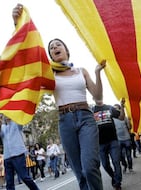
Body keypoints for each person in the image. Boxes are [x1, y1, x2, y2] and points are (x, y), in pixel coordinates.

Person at [12, 4, 104, 190]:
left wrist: (97, 73)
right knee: (79, 171)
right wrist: (17, 24)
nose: (55, 47)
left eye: (58, 45)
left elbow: (98, 97)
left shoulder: (81, 71)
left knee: (90, 166)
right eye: (51, 47)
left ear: (66, 50)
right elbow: (27, 56)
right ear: (51, 56)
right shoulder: (49, 75)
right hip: (65, 121)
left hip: (86, 117)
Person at [0, 115, 39, 190]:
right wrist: (0, 122)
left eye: (7, 114)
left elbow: (20, 121)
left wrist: (14, 114)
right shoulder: (3, 126)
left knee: (24, 177)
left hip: (18, 154)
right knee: (9, 181)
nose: (5, 116)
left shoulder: (16, 124)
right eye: (4, 114)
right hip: (7, 156)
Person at [93, 98, 125, 190]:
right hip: (100, 143)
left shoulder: (110, 108)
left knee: (116, 161)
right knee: (105, 164)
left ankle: (117, 183)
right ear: (93, 98)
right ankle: (114, 177)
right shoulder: (92, 111)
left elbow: (122, 118)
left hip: (113, 141)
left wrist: (122, 107)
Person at [113, 102, 134, 173]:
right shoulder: (112, 119)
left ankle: (130, 168)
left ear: (120, 109)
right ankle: (124, 165)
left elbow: (129, 127)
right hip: (118, 140)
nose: (115, 110)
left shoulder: (124, 118)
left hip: (126, 139)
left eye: (116, 108)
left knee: (128, 155)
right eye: (114, 109)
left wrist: (129, 122)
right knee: (121, 156)